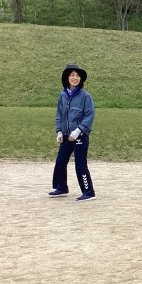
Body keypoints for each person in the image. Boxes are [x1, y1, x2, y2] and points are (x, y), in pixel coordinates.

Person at [48, 64, 97, 201]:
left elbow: (89, 115)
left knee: (80, 164)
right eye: (72, 75)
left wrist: (78, 131)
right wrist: (59, 131)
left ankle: (89, 192)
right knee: (60, 161)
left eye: (77, 75)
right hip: (65, 135)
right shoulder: (63, 95)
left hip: (79, 135)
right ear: (66, 78)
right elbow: (59, 114)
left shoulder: (85, 96)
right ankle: (61, 187)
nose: (75, 78)